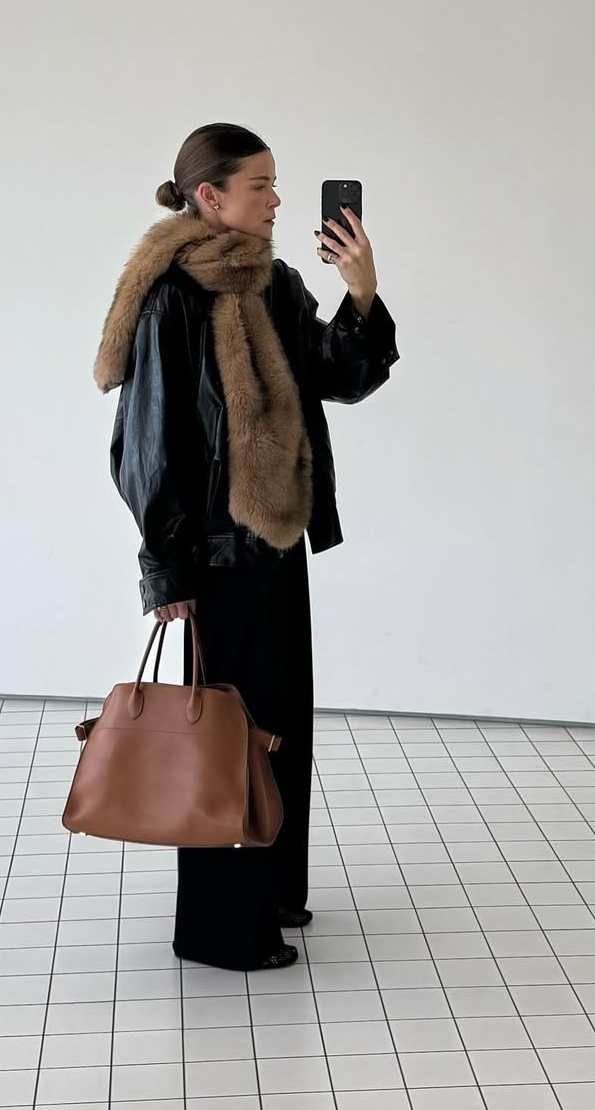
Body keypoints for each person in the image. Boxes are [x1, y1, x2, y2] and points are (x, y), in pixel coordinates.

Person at [92, 123, 400, 971]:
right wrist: (167, 570)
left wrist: (362, 293)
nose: (276, 199)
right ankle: (222, 932)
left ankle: (273, 895)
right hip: (214, 557)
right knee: (225, 740)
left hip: (275, 540)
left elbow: (341, 376)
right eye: (259, 185)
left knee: (279, 729)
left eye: (274, 183)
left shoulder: (276, 282)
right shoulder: (171, 297)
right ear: (210, 196)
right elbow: (147, 446)